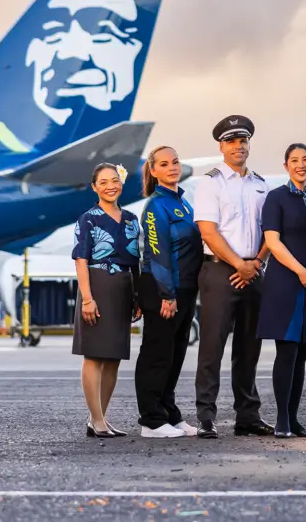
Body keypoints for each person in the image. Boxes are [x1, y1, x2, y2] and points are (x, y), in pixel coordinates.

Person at [193, 115, 273, 439]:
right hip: (219, 271)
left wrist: (255, 264)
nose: (238, 146)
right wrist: (239, 263)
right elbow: (208, 232)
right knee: (212, 345)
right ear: (221, 146)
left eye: (243, 140)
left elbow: (271, 231)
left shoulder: (261, 184)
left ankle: (247, 416)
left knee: (249, 347)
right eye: (231, 141)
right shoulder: (210, 183)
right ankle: (206, 416)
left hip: (254, 271)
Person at [258, 143, 306, 438]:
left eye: (305, 160)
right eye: (294, 160)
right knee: (287, 351)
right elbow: (273, 242)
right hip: (286, 283)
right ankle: (282, 421)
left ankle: (294, 418)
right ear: (285, 165)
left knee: (302, 354)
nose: (300, 164)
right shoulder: (277, 198)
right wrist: (302, 271)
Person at [135, 145, 204, 438]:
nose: (172, 167)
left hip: (186, 288)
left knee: (176, 354)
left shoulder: (185, 205)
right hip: (162, 289)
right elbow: (158, 252)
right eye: (164, 164)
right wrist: (167, 294)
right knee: (157, 353)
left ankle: (169, 413)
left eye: (175, 162)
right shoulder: (155, 206)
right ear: (153, 171)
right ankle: (151, 420)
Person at [72, 162, 142, 438]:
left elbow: (135, 260)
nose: (110, 185)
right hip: (97, 285)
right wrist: (87, 299)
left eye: (114, 180)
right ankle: (97, 420)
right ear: (94, 187)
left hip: (124, 286)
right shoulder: (88, 219)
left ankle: (99, 418)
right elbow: (81, 260)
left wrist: (136, 295)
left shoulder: (131, 219)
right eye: (103, 182)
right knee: (94, 355)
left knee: (113, 357)